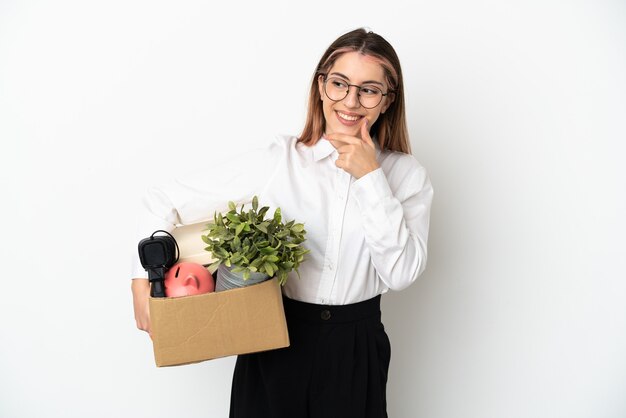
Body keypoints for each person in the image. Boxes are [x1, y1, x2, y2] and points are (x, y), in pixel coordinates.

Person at [131, 27, 433, 418]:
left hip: (355, 348)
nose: (351, 101)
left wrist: (370, 178)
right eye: (340, 83)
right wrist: (142, 284)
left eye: (369, 89)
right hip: (273, 337)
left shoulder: (406, 177)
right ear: (321, 86)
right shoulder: (279, 162)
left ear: (387, 101)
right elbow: (163, 200)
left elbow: (400, 274)